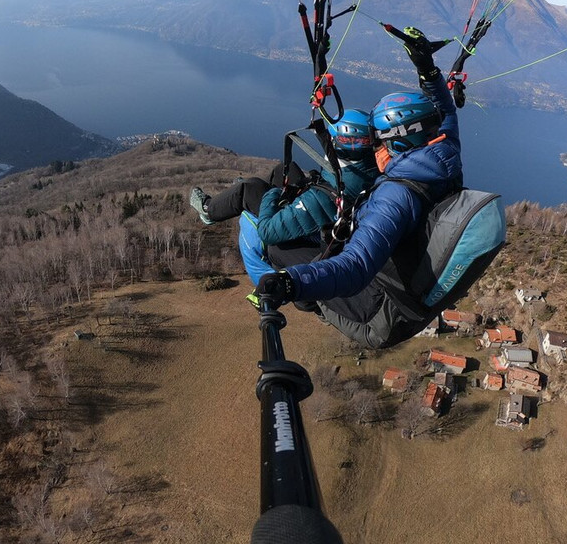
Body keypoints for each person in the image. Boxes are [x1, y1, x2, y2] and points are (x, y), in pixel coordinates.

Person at [253, 28, 465, 348]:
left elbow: (355, 269)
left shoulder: (396, 197)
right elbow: (445, 109)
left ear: (402, 141)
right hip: (408, 289)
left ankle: (318, 306)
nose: (375, 149)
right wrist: (427, 68)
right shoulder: (443, 150)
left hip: (378, 316)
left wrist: (290, 283)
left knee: (277, 249)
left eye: (381, 142)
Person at [188, 110, 378, 255]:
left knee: (249, 188)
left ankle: (209, 210)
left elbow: (267, 232)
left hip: (313, 229)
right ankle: (245, 196)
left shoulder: (330, 186)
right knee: (285, 169)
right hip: (331, 205)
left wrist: (272, 194)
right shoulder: (367, 167)